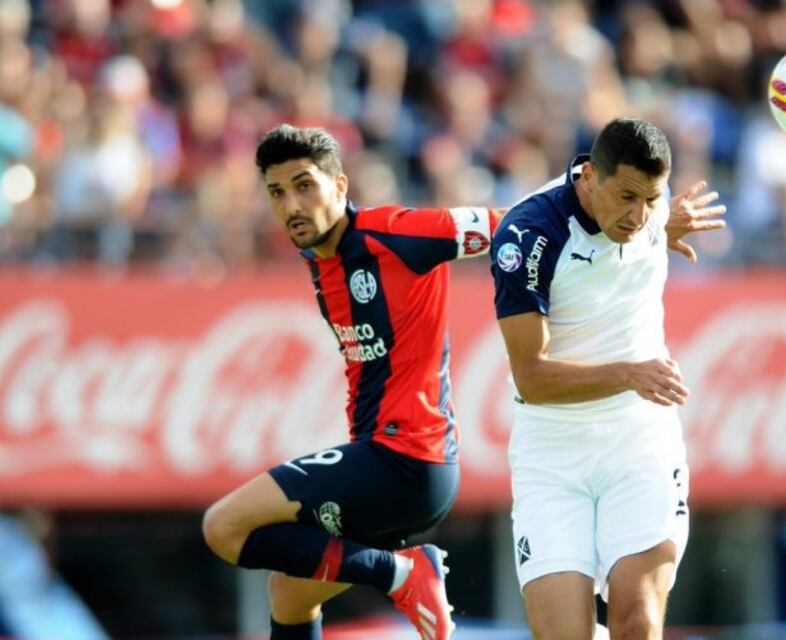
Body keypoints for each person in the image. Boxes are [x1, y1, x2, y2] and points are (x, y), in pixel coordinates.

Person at [203, 124, 502, 640]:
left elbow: (514, 226)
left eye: (305, 186)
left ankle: (403, 574)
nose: (292, 205)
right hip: (393, 468)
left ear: (340, 186)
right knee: (290, 594)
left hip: (406, 459)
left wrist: (615, 220)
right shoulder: (322, 261)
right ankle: (399, 573)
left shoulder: (396, 232)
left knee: (224, 526)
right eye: (277, 193)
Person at [490, 117, 725, 640]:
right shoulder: (528, 237)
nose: (638, 216)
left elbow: (643, 224)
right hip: (552, 452)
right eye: (627, 197)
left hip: (639, 439)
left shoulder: (648, 210)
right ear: (590, 176)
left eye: (652, 200)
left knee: (635, 621)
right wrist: (629, 373)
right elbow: (532, 379)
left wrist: (665, 227)